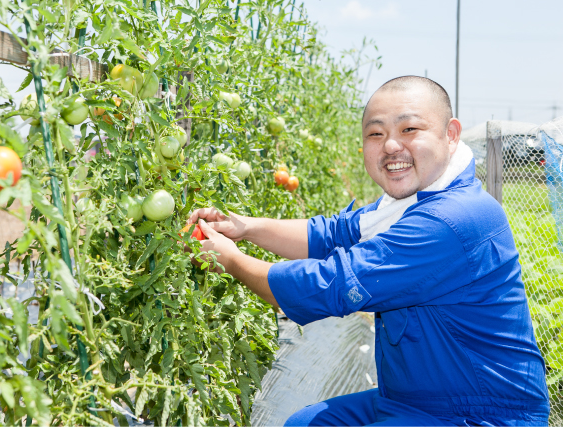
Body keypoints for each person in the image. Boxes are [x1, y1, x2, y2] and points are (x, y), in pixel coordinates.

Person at [186, 76, 549, 426]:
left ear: (450, 135)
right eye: (376, 134)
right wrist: (246, 228)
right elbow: (332, 233)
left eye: (409, 129)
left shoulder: (451, 220)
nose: (391, 145)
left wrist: (231, 260)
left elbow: (332, 285)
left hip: (481, 413)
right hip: (411, 399)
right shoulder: (404, 205)